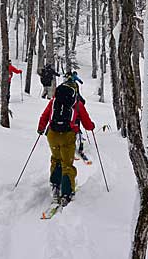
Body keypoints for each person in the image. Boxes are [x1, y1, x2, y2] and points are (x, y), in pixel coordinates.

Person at [37, 76, 95, 206]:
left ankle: (55, 185)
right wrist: (91, 126)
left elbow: (45, 115)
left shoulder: (54, 100)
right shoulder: (77, 103)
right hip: (67, 136)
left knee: (56, 158)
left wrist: (41, 128)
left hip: (52, 134)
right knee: (67, 163)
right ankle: (66, 193)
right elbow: (86, 124)